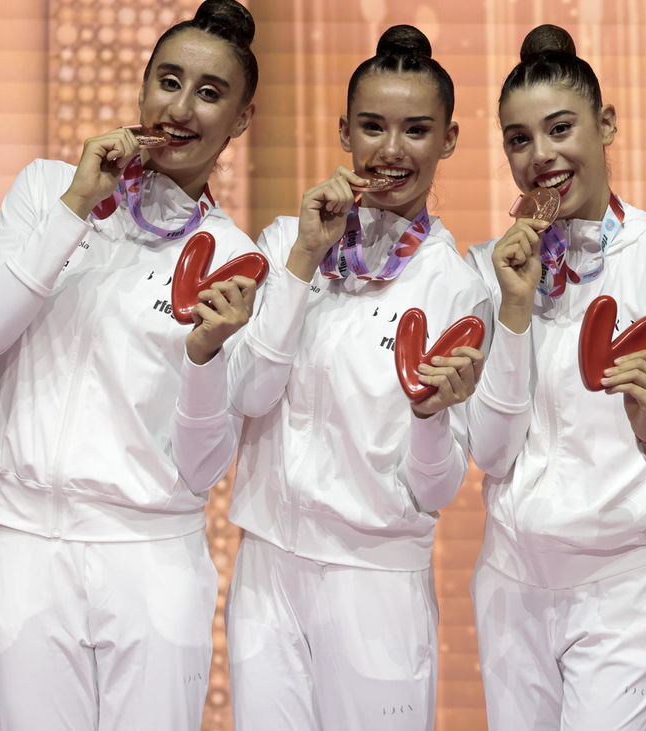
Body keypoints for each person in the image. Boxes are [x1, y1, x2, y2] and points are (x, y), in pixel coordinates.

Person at [0, 1, 261, 728]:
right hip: (24, 547)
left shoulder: (236, 259)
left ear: (242, 120)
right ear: (142, 87)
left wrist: (204, 357)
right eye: (168, 80)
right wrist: (72, 207)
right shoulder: (46, 189)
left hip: (149, 561)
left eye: (210, 93)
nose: (181, 108)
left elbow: (202, 466)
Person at [464, 23, 646, 730]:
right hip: (511, 590)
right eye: (519, 140)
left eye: (559, 129)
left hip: (629, 599)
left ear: (606, 123)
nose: (541, 156)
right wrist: (514, 311)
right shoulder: (488, 271)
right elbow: (489, 454)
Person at [223, 24, 488, 731]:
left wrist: (432, 415)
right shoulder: (285, 242)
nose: (392, 151)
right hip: (266, 570)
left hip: (374, 586)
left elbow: (436, 490)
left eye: (416, 130)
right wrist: (305, 258)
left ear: (450, 139)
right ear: (344, 131)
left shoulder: (455, 286)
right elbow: (246, 395)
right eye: (373, 126)